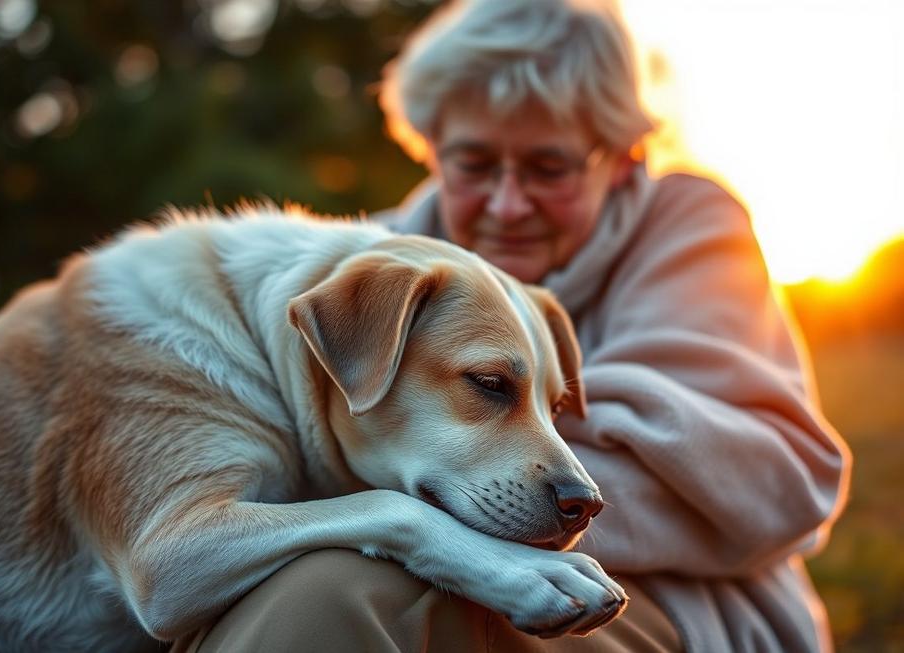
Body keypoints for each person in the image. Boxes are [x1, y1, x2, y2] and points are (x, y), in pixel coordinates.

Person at [172, 0, 850, 651]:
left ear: (619, 160)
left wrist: (402, 489)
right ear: (430, 147)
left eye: (548, 166)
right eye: (472, 163)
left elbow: (769, 474)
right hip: (464, 567)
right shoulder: (372, 272)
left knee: (330, 596)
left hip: (678, 602)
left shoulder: (686, 228)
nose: (506, 202)